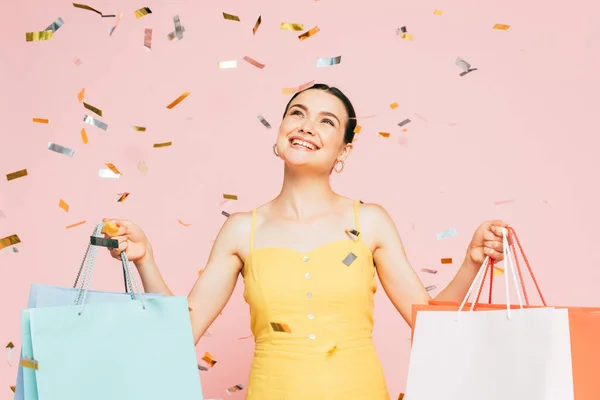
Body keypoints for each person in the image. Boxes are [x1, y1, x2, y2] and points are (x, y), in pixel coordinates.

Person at [103, 83, 508, 399]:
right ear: (279, 132)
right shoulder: (242, 229)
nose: (307, 125)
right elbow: (180, 332)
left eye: (327, 121)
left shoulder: (369, 221)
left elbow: (432, 324)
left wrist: (471, 260)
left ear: (343, 149)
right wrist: (145, 260)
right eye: (297, 113)